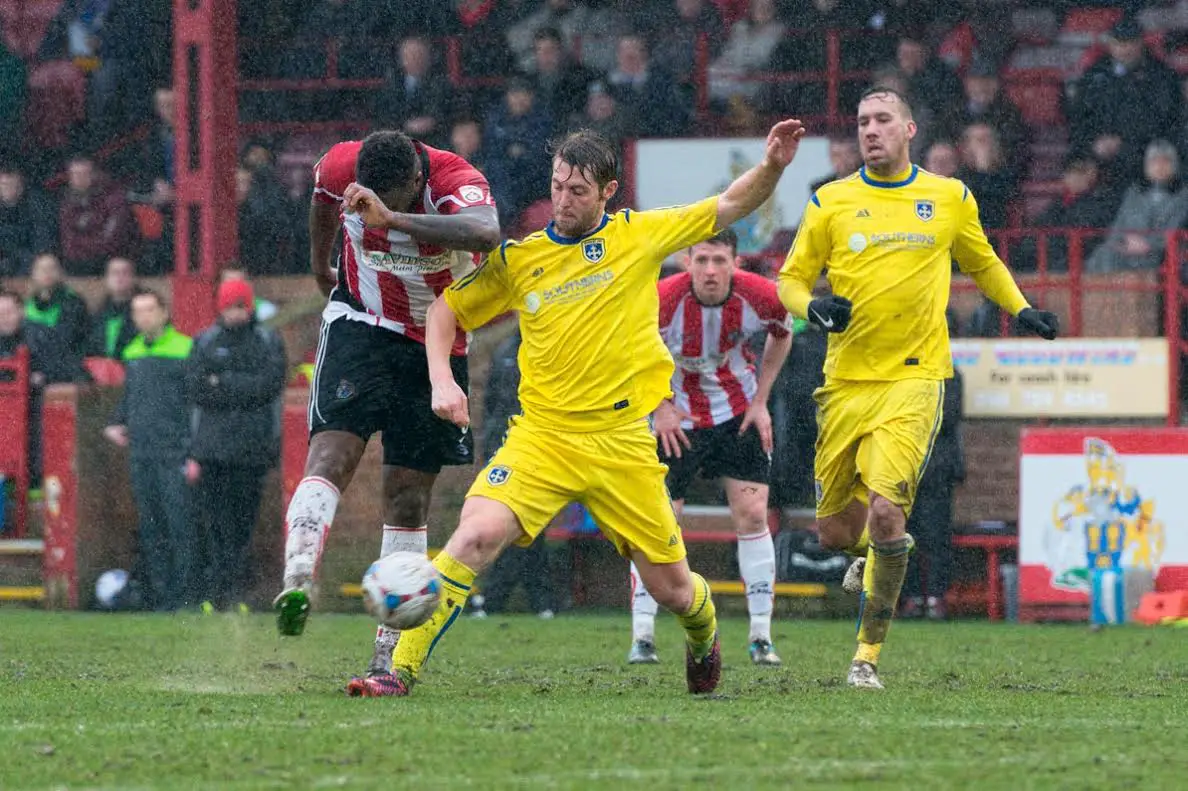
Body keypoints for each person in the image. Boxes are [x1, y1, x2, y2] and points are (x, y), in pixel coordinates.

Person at [345, 120, 807, 698]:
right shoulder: (522, 258)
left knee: (674, 592)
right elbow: (445, 313)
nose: (561, 201)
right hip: (542, 439)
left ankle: (703, 629)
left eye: (578, 191)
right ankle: (397, 672)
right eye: (557, 186)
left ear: (608, 192)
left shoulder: (640, 236)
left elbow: (733, 201)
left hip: (621, 443)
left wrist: (773, 166)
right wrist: (443, 379)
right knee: (472, 536)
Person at [777, 86, 1058, 690]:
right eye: (862, 122)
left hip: (915, 376)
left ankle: (866, 657)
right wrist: (814, 309)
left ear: (909, 129)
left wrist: (1023, 308)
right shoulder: (831, 201)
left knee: (887, 511)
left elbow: (982, 263)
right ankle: (865, 562)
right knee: (835, 531)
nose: (870, 130)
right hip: (845, 383)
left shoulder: (947, 196)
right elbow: (791, 281)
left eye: (882, 120)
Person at [274, 131, 500, 675]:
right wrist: (318, 262)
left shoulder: (456, 181)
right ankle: (299, 577)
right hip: (361, 324)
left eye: (393, 200)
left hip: (436, 344)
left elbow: (487, 233)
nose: (376, 210)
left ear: (417, 183)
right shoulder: (338, 165)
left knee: (407, 497)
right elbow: (322, 202)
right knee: (330, 455)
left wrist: (391, 221)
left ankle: (385, 656)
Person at [627, 228, 793, 667]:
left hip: (737, 413)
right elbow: (630, 350)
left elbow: (783, 331)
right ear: (687, 262)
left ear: (735, 263)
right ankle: (642, 633)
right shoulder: (662, 299)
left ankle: (761, 636)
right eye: (701, 260)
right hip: (675, 419)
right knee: (659, 522)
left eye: (720, 261)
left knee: (754, 514)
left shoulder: (761, 295)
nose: (711, 271)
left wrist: (761, 402)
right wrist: (659, 406)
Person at [187, 278, 287, 612]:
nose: (235, 313)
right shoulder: (204, 342)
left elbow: (268, 387)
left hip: (251, 451)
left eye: (240, 306)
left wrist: (224, 381)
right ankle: (216, 594)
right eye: (230, 306)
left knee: (243, 524)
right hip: (213, 451)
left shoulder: (267, 341)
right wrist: (242, 386)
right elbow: (198, 388)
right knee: (215, 524)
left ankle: (235, 593)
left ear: (250, 306)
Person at [103, 291, 195, 611]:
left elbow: (193, 403)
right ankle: (161, 596)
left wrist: (191, 448)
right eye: (136, 311)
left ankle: (186, 595)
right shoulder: (133, 352)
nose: (142, 317)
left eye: (148, 310)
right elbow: (130, 399)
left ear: (164, 313)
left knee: (179, 524)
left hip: (174, 452)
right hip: (141, 452)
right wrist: (117, 422)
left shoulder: (185, 349)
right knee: (151, 525)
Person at [88, 257, 145, 359]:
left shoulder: (145, 310)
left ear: (134, 278)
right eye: (114, 273)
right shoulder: (98, 314)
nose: (120, 277)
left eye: (125, 273)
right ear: (106, 279)